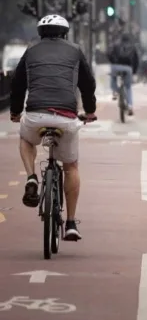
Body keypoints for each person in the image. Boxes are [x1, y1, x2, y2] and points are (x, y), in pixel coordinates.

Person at [9, 14, 97, 241]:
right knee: (71, 166)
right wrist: (89, 111)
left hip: (36, 114)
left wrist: (16, 112)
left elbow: (17, 84)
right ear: (65, 33)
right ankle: (70, 223)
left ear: (40, 33)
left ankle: (30, 177)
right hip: (66, 117)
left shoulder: (31, 50)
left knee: (26, 139)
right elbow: (87, 85)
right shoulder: (76, 50)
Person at [108, 33, 139, 115]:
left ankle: (115, 91)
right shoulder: (133, 47)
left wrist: (113, 63)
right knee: (128, 87)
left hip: (116, 67)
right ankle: (130, 105)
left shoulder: (115, 45)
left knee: (113, 78)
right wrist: (135, 72)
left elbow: (109, 54)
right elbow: (136, 61)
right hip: (128, 68)